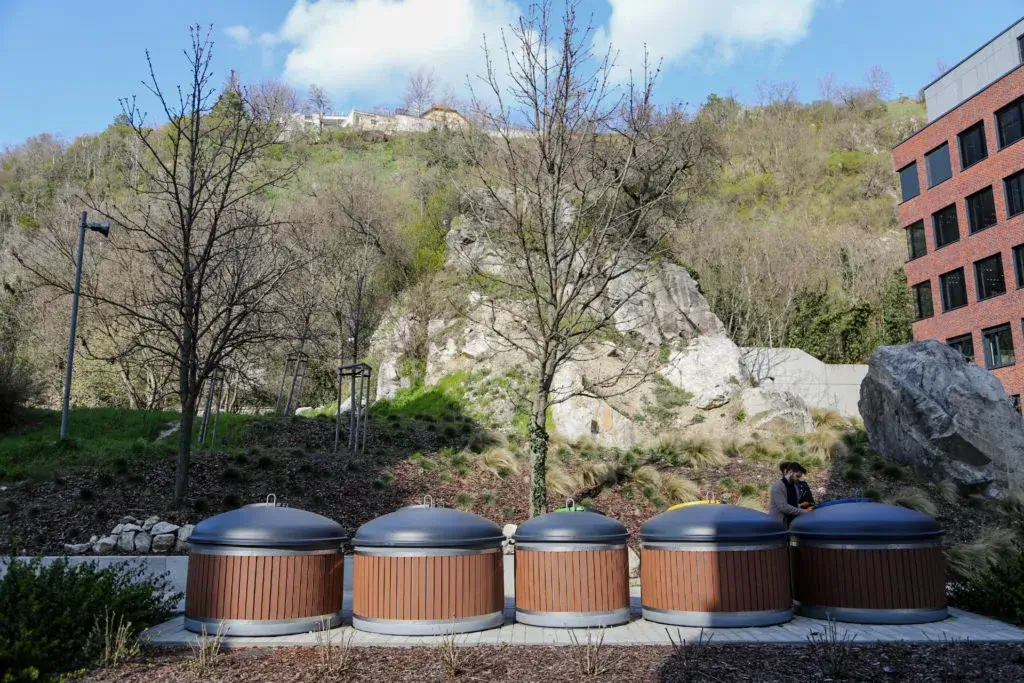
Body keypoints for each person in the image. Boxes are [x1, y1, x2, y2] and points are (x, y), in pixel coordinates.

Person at [769, 461, 806, 528]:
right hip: (778, 525)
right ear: (790, 472)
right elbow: (783, 507)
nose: (799, 479)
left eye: (800, 477)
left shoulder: (795, 486)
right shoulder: (778, 486)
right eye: (797, 476)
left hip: (791, 524)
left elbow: (795, 504)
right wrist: (804, 512)